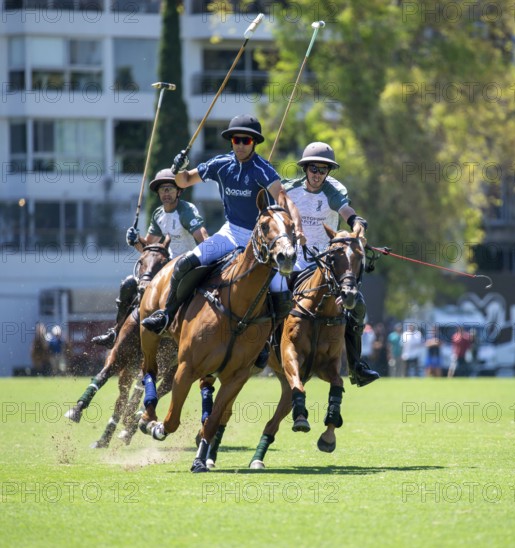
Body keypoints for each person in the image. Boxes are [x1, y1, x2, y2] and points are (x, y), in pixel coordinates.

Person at [141, 114, 305, 360]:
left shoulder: (262, 169)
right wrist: (177, 169)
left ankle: (268, 344)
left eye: (246, 140)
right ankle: (167, 313)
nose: (240, 144)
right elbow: (184, 181)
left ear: (254, 143)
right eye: (236, 139)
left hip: (258, 239)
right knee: (187, 262)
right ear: (231, 141)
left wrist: (296, 229)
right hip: (230, 232)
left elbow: (283, 198)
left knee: (280, 288)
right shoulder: (221, 164)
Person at [280, 141, 379, 387]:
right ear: (305, 169)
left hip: (326, 265)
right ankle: (259, 350)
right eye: (313, 169)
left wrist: (358, 228)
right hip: (295, 260)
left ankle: (356, 365)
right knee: (268, 294)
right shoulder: (288, 190)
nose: (317, 174)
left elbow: (349, 214)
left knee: (357, 306)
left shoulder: (334, 191)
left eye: (323, 170)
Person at [92, 169, 209, 348]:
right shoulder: (158, 214)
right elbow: (147, 248)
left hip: (189, 265)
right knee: (129, 285)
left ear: (179, 191)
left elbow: (204, 239)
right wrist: (134, 239)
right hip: (166, 266)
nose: (166, 193)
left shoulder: (186, 211)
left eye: (170, 189)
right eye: (162, 190)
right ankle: (115, 331)